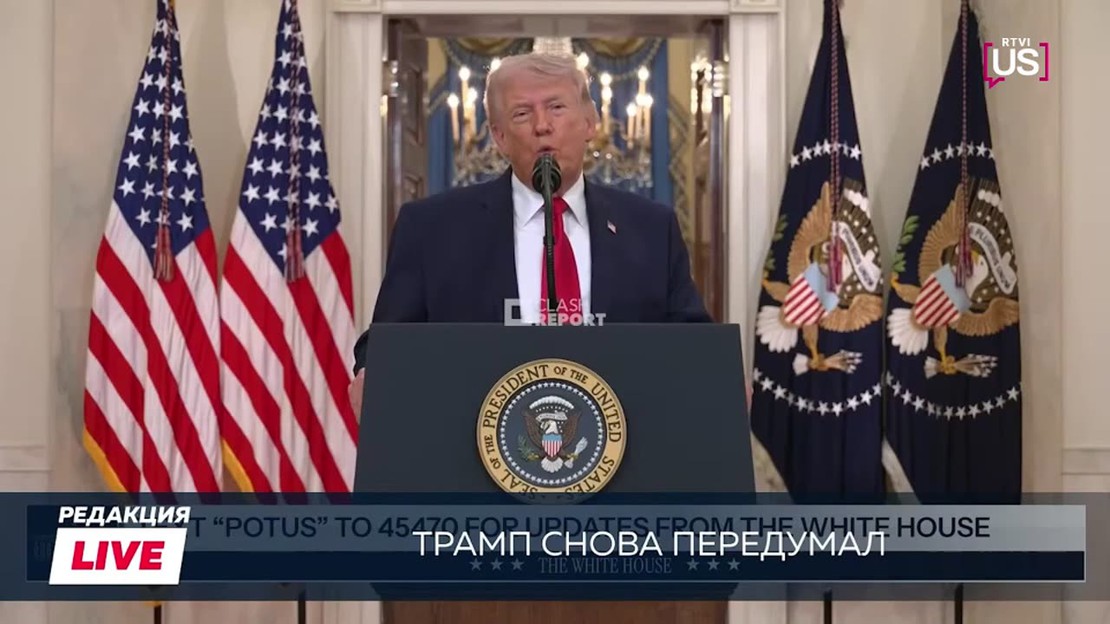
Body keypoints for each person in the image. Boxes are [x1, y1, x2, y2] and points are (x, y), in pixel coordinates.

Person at [349, 51, 710, 411]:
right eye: (522, 113)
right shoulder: (431, 229)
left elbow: (692, 342)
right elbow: (385, 343)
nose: (542, 125)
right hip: (471, 433)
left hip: (624, 432)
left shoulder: (651, 228)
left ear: (590, 122)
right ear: (500, 137)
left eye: (557, 107)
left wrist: (709, 380)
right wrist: (371, 372)